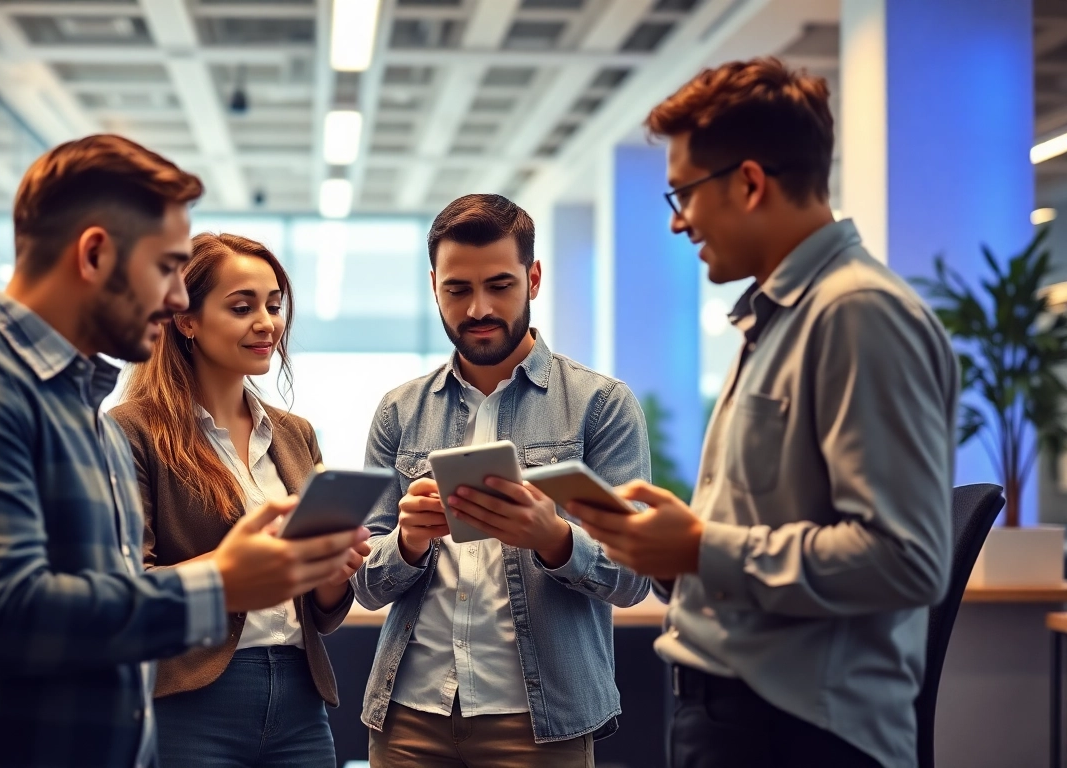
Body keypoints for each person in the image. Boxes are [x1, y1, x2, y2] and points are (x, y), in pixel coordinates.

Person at [0, 135, 365, 768]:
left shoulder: (79, 413)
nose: (178, 299)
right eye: (166, 268)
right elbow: (9, 620)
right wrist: (223, 582)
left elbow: (109, 609)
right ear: (95, 254)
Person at [570, 58, 958, 768]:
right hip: (738, 716)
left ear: (749, 183)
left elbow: (906, 558)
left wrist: (698, 548)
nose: (679, 222)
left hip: (798, 734)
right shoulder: (779, 317)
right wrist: (674, 541)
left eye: (683, 194)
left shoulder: (856, 314)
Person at [352, 193, 652, 768]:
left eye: (500, 285)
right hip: (409, 715)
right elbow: (363, 582)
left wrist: (554, 539)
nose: (478, 309)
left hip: (542, 723)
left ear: (533, 278)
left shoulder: (600, 406)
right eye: (457, 290)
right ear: (434, 286)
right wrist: (408, 544)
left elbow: (635, 576)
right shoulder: (399, 411)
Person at [111, 232, 370, 767]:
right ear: (185, 318)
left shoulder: (295, 434)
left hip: (301, 697)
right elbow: (126, 589)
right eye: (241, 306)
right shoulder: (131, 431)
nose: (267, 323)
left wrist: (331, 570)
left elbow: (321, 613)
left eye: (274, 305)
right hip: (191, 698)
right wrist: (232, 570)